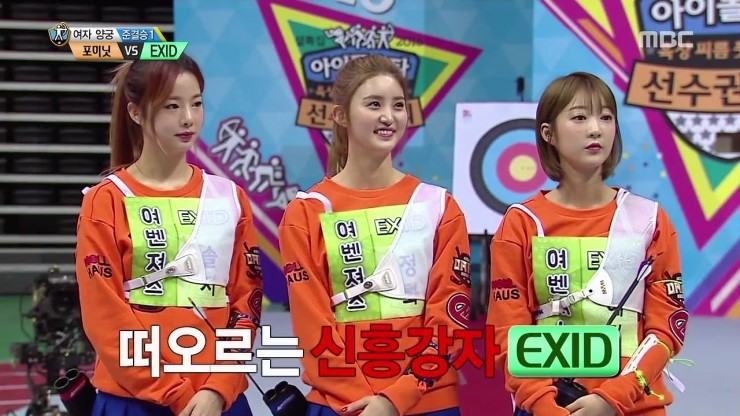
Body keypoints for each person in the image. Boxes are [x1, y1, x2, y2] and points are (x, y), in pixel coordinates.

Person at [278, 54, 472, 416]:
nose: (389, 116)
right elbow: (312, 327)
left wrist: (396, 398)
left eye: (398, 105)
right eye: (374, 104)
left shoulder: (439, 206)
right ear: (341, 115)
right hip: (341, 406)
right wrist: (365, 403)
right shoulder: (307, 213)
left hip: (427, 402)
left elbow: (449, 319)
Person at [486, 72, 688, 416]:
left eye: (606, 117)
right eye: (580, 117)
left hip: (633, 405)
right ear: (548, 133)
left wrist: (613, 398)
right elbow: (508, 330)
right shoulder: (522, 223)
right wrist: (543, 404)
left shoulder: (648, 220)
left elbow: (667, 326)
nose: (596, 129)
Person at [74, 53, 263, 416]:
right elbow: (104, 315)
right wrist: (173, 393)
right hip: (134, 401)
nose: (188, 118)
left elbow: (246, 301)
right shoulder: (105, 200)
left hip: (218, 401)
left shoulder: (229, 197)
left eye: (197, 103)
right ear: (135, 112)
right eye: (172, 106)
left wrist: (219, 387)